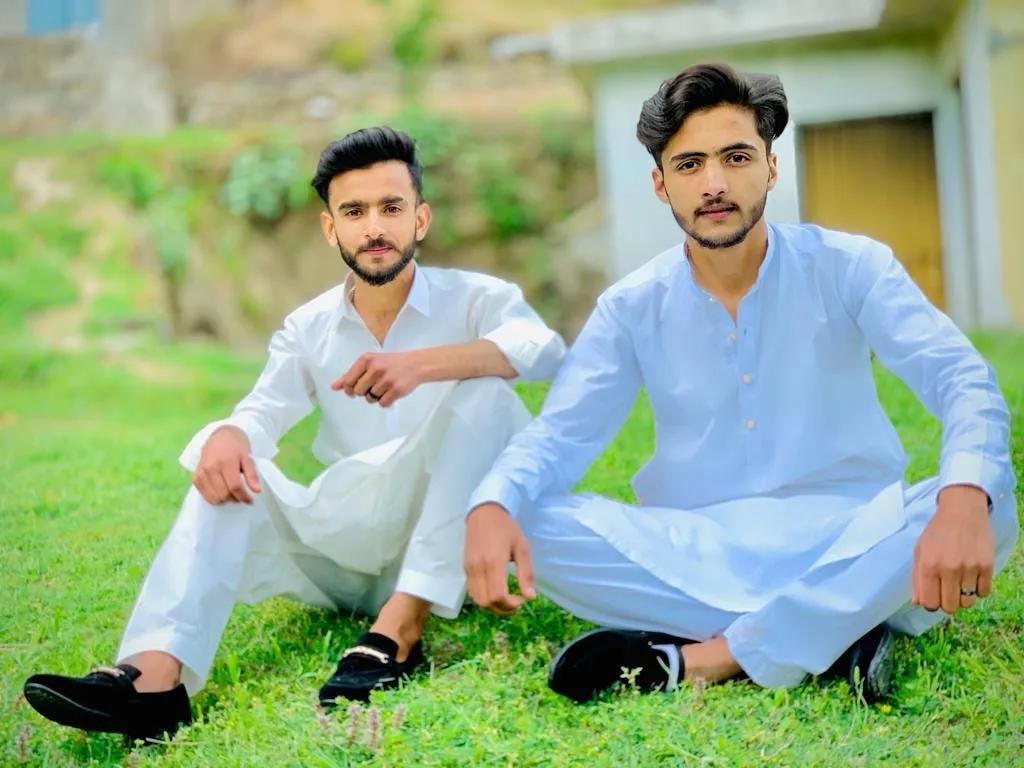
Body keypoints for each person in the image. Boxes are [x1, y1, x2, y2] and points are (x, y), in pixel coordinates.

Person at [462, 62, 1018, 703]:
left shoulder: (850, 267)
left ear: (771, 168)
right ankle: (840, 626)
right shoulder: (631, 305)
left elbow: (959, 376)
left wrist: (961, 500)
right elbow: (561, 435)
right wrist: (491, 504)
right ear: (660, 184)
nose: (715, 184)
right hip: (695, 553)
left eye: (736, 157)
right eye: (690, 164)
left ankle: (708, 658)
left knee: (987, 496)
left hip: (850, 535)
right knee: (525, 517)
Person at [24, 127, 566, 741]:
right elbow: (263, 409)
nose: (374, 228)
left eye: (391, 208)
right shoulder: (308, 326)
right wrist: (230, 432)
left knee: (486, 395)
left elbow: (543, 350)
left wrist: (422, 365)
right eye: (354, 212)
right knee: (228, 461)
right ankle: (153, 680)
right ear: (330, 229)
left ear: (421, 218)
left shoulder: (478, 298)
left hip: (453, 548)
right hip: (349, 549)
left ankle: (400, 628)